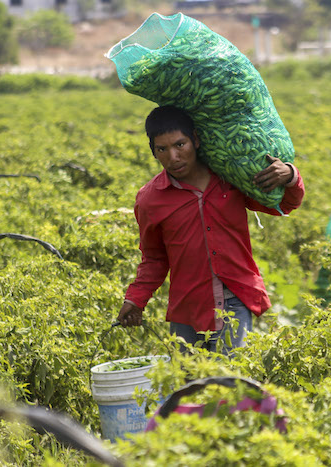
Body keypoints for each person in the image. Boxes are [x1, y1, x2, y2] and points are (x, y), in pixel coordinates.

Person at [116, 106, 305, 355]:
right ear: (154, 152)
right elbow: (154, 259)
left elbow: (284, 204)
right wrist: (135, 299)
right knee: (188, 385)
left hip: (235, 299)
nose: (173, 156)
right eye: (162, 149)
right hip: (188, 307)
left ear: (195, 139)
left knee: (229, 382)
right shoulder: (150, 200)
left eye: (180, 145)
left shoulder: (231, 179)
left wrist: (290, 175)